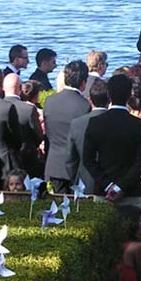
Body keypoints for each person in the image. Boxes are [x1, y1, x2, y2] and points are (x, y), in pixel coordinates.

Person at [83, 75, 141, 211]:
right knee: (132, 231)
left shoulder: (95, 123)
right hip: (131, 192)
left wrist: (108, 185)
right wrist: (121, 187)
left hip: (103, 191)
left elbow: (88, 160)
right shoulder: (139, 125)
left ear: (108, 94)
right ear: (129, 94)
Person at [43, 61, 90, 191]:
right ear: (84, 82)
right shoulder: (84, 105)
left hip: (54, 164)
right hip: (76, 167)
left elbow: (47, 133)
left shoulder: (50, 101)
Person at [66, 79, 109, 190]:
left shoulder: (76, 123)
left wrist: (75, 180)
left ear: (90, 100)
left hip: (83, 182)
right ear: (109, 100)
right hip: (110, 182)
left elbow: (70, 158)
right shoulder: (116, 122)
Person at [3, 73, 44, 177]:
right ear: (20, 88)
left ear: (3, 88)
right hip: (27, 159)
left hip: (2, 159)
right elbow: (38, 136)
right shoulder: (28, 109)